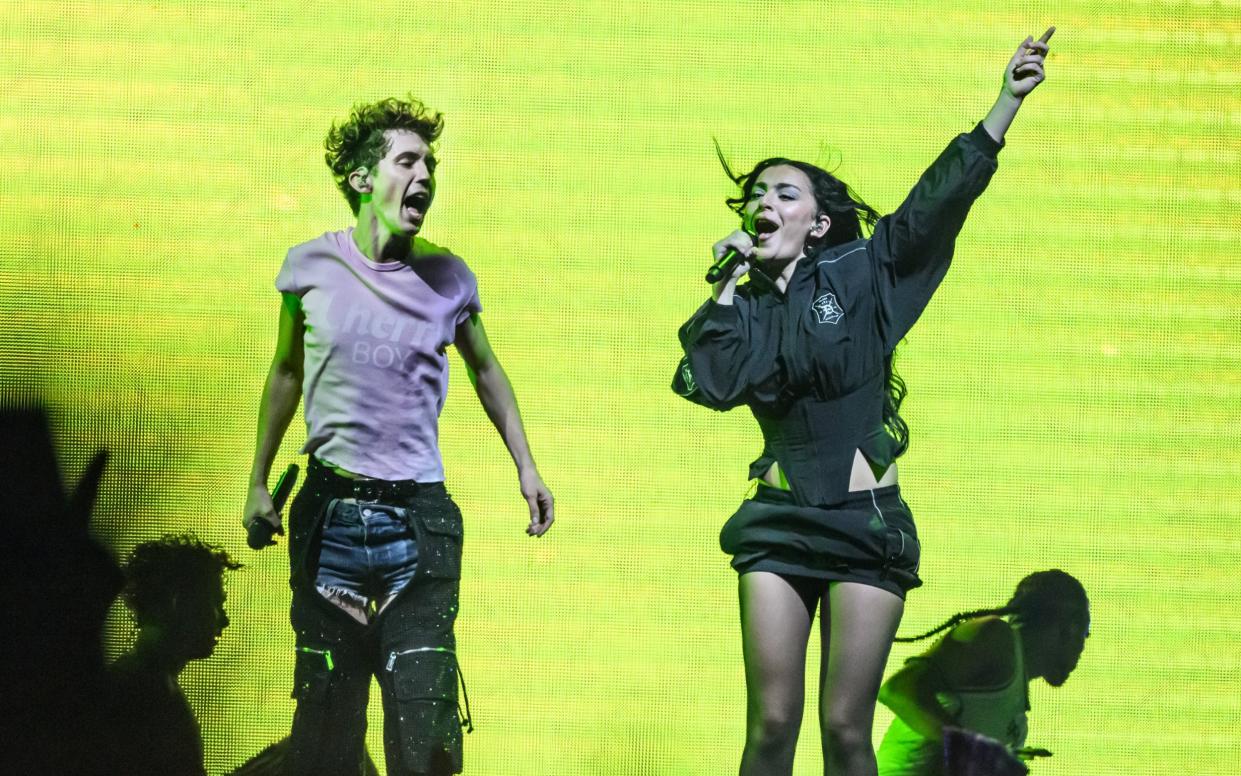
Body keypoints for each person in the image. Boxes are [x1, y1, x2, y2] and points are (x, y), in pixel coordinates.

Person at [672, 32, 1054, 776]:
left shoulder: (860, 274)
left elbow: (928, 212)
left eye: (784, 193)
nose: (764, 204)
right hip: (777, 525)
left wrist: (1001, 107)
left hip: (862, 526)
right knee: (769, 726)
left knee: (844, 727)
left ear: (816, 223)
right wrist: (722, 281)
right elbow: (712, 383)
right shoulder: (741, 309)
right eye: (756, 195)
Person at [242, 95, 554, 776]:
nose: (425, 176)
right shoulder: (309, 268)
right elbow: (287, 371)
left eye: (430, 164)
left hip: (419, 524)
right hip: (328, 520)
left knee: (425, 732)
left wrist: (526, 467)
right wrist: (259, 482)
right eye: (407, 160)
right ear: (361, 177)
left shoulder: (449, 277)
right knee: (327, 726)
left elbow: (487, 370)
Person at [876, 570, 1090, 775]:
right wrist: (977, 752)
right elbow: (897, 689)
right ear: (1067, 629)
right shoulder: (998, 638)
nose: (1081, 649)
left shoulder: (1017, 710)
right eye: (1084, 633)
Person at [109, 533, 241, 776]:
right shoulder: (145, 692)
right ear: (178, 602)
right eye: (217, 603)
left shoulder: (135, 682)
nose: (224, 620)